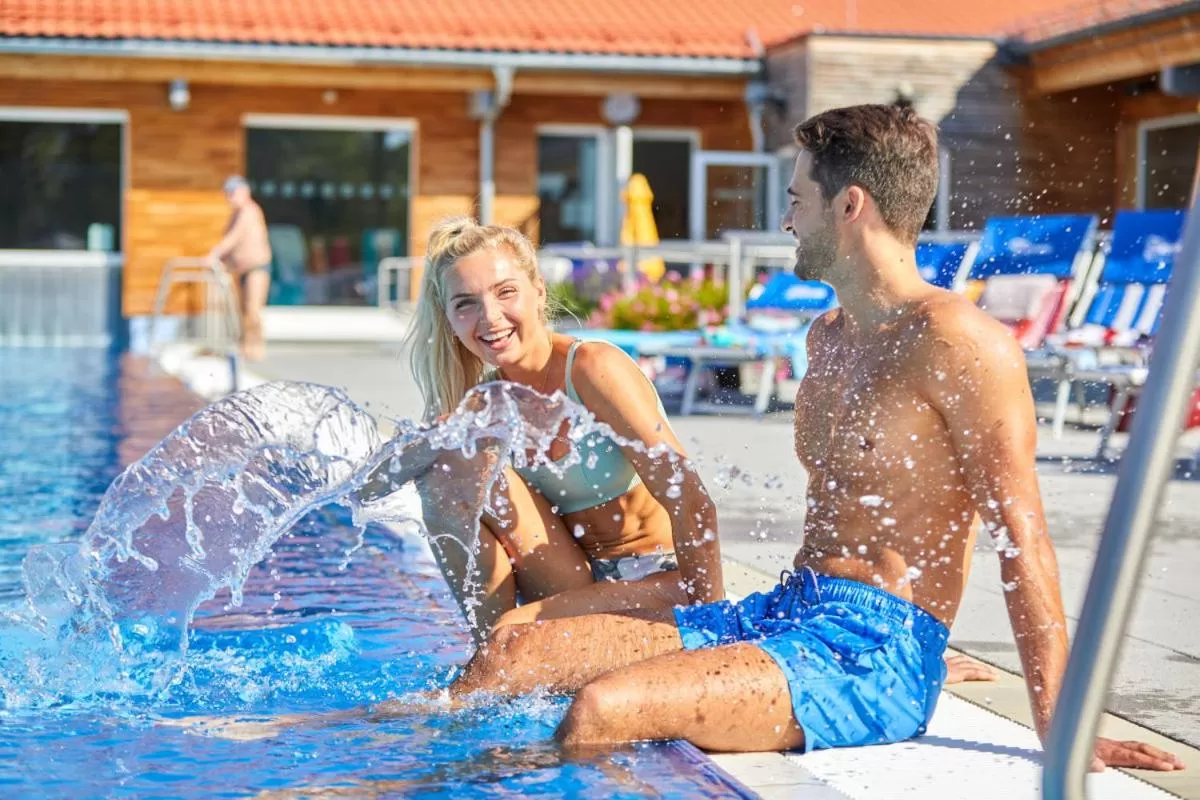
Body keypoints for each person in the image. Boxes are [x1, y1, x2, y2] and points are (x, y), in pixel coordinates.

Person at [423, 105, 1185, 772]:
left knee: (605, 708)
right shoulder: (828, 337)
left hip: (871, 654)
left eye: (796, 198)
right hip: (789, 609)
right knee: (511, 654)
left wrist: (1062, 723)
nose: (785, 219)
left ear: (849, 204)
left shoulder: (961, 342)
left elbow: (1023, 536)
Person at [376, 216, 725, 643]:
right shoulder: (486, 404)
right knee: (450, 462)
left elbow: (693, 500)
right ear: (449, 318)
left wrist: (714, 625)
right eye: (465, 303)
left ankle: (496, 658)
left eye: (506, 292)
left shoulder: (593, 370)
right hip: (572, 582)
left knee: (514, 631)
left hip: (656, 577)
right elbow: (367, 488)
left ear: (538, 290)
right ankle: (493, 659)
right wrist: (429, 442)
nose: (489, 318)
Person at [210, 176, 272, 362]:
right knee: (242, 311)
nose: (229, 198)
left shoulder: (249, 211)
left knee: (253, 309)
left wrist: (214, 254)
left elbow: (234, 238)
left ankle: (257, 347)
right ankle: (246, 347)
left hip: (257, 268)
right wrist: (224, 261)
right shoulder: (235, 214)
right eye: (228, 193)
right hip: (241, 269)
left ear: (244, 192)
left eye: (232, 193)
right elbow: (233, 243)